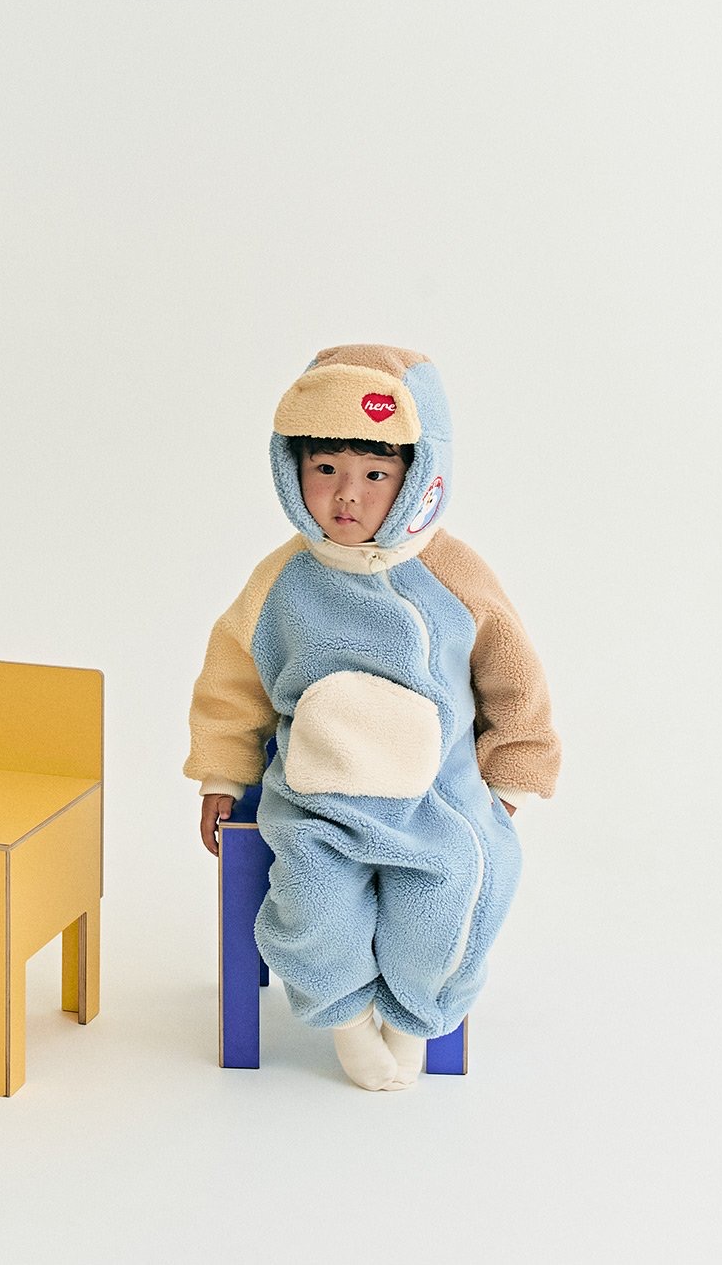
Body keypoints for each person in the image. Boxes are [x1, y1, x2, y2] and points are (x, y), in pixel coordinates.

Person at [184, 343, 561, 1091]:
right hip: (316, 798)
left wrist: (513, 775)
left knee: (455, 893)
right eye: (325, 468)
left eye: (376, 475)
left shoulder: (452, 573)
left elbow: (513, 672)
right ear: (292, 468)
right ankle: (347, 1018)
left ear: (420, 477)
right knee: (311, 906)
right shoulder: (282, 579)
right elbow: (232, 683)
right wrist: (221, 775)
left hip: (438, 797)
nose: (346, 496)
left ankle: (415, 1014)